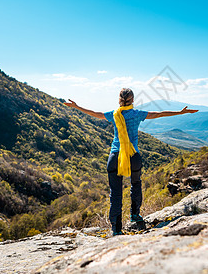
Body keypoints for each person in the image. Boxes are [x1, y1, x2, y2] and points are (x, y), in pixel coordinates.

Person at [64, 88, 198, 235]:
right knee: (136, 183)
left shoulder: (114, 114)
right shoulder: (137, 114)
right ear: (133, 100)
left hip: (115, 156)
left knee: (115, 193)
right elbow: (159, 114)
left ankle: (116, 229)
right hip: (133, 156)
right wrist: (180, 112)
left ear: (119, 99)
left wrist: (77, 107)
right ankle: (135, 215)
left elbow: (95, 114)